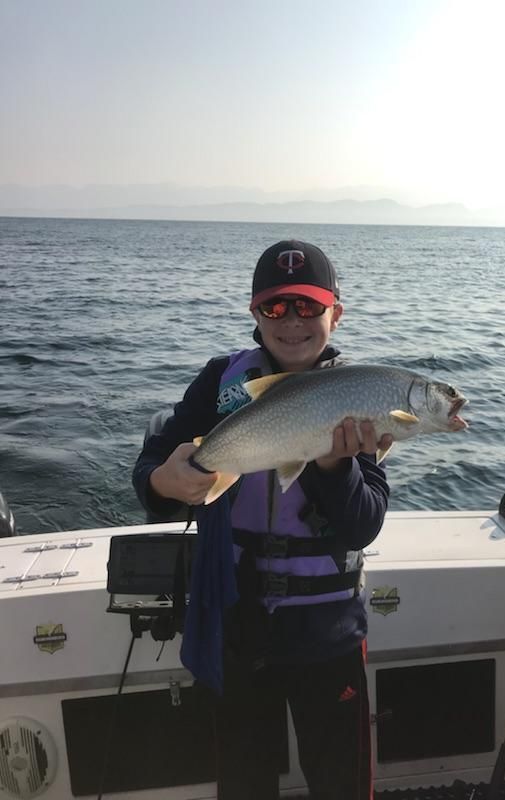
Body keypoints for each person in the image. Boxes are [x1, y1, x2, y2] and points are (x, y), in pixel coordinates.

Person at [132, 240, 391, 800]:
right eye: (276, 308)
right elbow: (152, 470)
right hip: (237, 620)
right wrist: (163, 483)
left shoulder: (357, 393)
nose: (293, 322)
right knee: (244, 783)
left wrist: (333, 464)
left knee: (341, 783)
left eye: (309, 306)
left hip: (328, 631)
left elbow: (363, 525)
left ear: (335, 315)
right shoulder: (220, 380)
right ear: (255, 314)